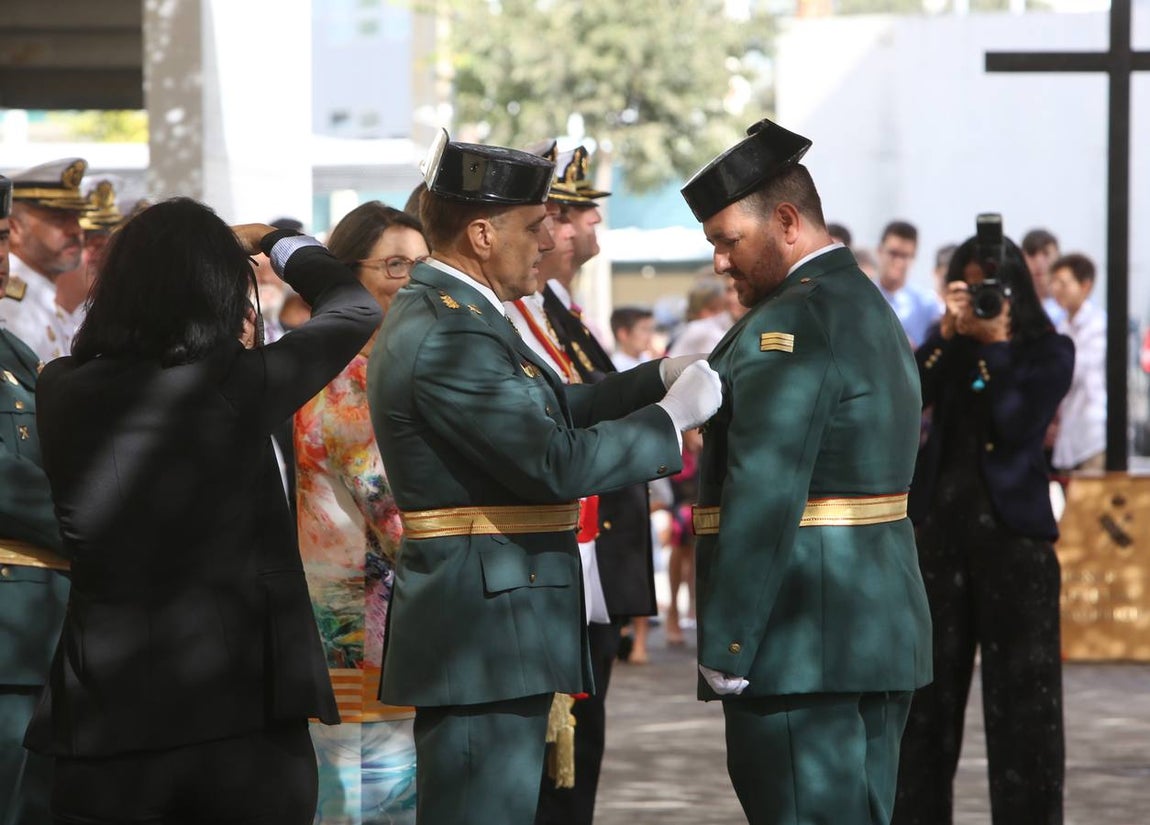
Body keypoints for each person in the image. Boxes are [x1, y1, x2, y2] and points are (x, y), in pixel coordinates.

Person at [367, 132, 720, 825]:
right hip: (484, 625)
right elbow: (554, 461)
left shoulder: (465, 314)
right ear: (481, 234)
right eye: (534, 226)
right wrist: (670, 421)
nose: (548, 240)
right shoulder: (451, 329)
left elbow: (555, 406)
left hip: (494, 614)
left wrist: (656, 378)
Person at [22, 198, 383, 824]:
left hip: (106, 714)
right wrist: (274, 239)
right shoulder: (235, 383)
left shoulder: (59, 388)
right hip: (241, 711)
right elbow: (354, 308)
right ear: (217, 293)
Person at [679, 117, 933, 825]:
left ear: (786, 221)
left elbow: (765, 490)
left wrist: (729, 641)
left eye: (729, 240)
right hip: (868, 633)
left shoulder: (789, 323)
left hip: (801, 644)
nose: (720, 263)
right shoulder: (861, 302)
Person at [893, 230, 1073, 825]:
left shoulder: (1049, 351)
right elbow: (905, 396)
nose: (979, 299)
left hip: (1015, 544)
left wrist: (996, 346)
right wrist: (946, 335)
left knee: (1026, 709)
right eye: (967, 287)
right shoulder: (950, 347)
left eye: (989, 288)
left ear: (1016, 288)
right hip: (939, 540)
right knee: (924, 708)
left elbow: (1017, 424)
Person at [296, 202, 429, 824]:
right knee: (368, 805)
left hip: (363, 633)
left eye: (423, 265)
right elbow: (398, 517)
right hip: (358, 639)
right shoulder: (351, 382)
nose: (413, 281)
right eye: (396, 265)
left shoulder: (370, 368)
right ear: (347, 277)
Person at [0, 174, 71, 825]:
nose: (1, 256)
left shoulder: (12, 348)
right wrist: (94, 524)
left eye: (1, 237)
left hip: (37, 623)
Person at [0, 158, 90, 361]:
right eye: (59, 219)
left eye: (76, 217)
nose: (75, 230)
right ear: (15, 229)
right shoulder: (10, 304)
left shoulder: (41, 297)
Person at [1048, 253, 1105, 472]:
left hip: (1092, 434)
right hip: (1070, 435)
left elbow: (1074, 372)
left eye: (1063, 283)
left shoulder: (1097, 325)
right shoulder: (1063, 326)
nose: (1056, 289)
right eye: (1054, 282)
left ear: (1085, 286)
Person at [874, 220, 941, 349]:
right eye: (893, 253)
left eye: (904, 256)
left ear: (913, 257)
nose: (898, 262)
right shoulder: (861, 296)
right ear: (879, 251)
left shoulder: (926, 303)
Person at [1022, 227, 1065, 326]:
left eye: (1046, 254)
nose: (1039, 263)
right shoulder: (1012, 304)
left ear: (1058, 257)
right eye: (1032, 255)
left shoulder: (1074, 304)